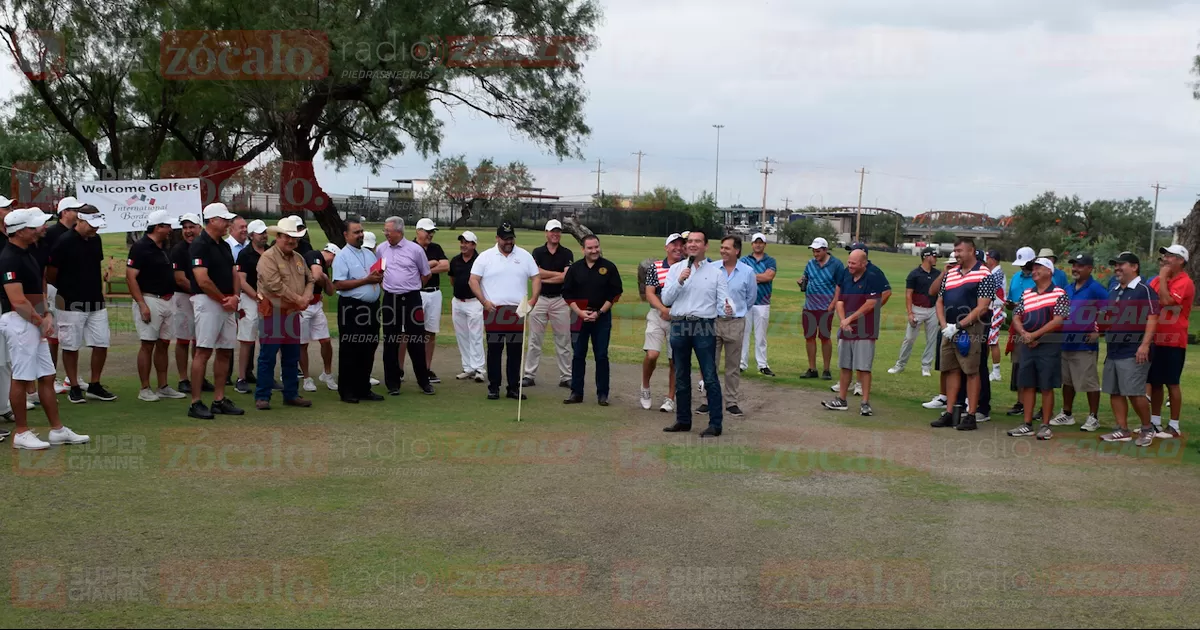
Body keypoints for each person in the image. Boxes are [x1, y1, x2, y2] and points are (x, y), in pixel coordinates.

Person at [0, 208, 89, 450]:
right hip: (17, 321)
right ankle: (21, 433)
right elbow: (17, 300)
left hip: (34, 319)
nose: (40, 229)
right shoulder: (9, 257)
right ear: (19, 231)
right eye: (34, 226)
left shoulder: (28, 252)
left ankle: (58, 430)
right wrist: (42, 321)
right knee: (21, 377)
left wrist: (46, 314)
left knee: (47, 376)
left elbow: (38, 286)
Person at [662, 230, 727, 438]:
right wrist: (680, 281)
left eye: (697, 241)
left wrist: (728, 307)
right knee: (681, 373)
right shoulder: (676, 270)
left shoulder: (716, 272)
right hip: (680, 324)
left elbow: (723, 300)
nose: (692, 245)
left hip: (703, 325)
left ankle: (715, 423)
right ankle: (683, 420)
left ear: (705, 246)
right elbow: (666, 299)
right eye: (689, 241)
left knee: (709, 375)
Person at [45, 210, 116, 403]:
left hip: (95, 301)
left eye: (98, 223)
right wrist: (69, 289)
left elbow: (94, 266)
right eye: (92, 224)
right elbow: (51, 273)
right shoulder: (64, 241)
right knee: (71, 345)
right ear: (80, 220)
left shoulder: (96, 240)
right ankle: (74, 386)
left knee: (101, 342)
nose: (96, 227)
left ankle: (94, 385)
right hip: (70, 302)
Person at [931, 238, 998, 430]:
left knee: (971, 371)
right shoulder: (950, 274)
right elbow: (939, 301)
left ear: (971, 251)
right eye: (955, 251)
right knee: (951, 369)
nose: (956, 254)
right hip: (949, 327)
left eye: (960, 251)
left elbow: (982, 307)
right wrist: (944, 325)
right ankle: (950, 412)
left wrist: (959, 325)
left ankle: (970, 415)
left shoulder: (984, 274)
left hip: (971, 329)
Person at [469, 222, 542, 400]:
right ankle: (494, 387)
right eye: (505, 238)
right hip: (494, 310)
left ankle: (513, 387)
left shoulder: (524, 256)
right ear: (497, 238)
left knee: (515, 351)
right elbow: (473, 280)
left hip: (517, 311)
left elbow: (536, 277)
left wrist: (533, 300)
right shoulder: (486, 257)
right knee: (494, 350)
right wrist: (484, 301)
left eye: (511, 238)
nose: (509, 242)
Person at [186, 202, 244, 420]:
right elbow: (202, 280)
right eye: (224, 219)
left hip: (227, 301)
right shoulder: (200, 245)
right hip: (208, 301)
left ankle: (219, 399)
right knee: (203, 351)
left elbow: (234, 272)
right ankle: (195, 402)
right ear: (212, 221)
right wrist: (223, 299)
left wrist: (235, 297)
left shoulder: (224, 245)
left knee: (225, 350)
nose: (228, 223)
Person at [1097, 252, 1158, 446]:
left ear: (1134, 267)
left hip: (1134, 350)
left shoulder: (1144, 290)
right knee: (1114, 391)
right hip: (1113, 350)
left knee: (1134, 392)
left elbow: (1153, 317)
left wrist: (1145, 345)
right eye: (1115, 265)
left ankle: (1147, 429)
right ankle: (1122, 429)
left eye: (1121, 264)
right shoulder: (1114, 290)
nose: (1117, 268)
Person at [126, 210, 188, 402]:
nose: (170, 229)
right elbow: (131, 277)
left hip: (167, 300)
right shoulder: (140, 247)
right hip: (150, 299)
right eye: (167, 226)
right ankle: (144, 388)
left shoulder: (164, 246)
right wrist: (142, 304)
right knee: (147, 345)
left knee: (163, 344)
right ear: (158, 227)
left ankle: (163, 386)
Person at [1006, 258, 1070, 440]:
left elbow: (1058, 320)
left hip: (1049, 345)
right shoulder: (1027, 293)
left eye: (1038, 268)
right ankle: (1027, 424)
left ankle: (1045, 425)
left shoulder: (1060, 293)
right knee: (1027, 384)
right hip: (1028, 344)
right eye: (1033, 268)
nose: (1034, 271)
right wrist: (1025, 333)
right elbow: (1016, 316)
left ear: (1049, 271)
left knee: (1047, 385)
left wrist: (1035, 336)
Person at [254, 216, 315, 410]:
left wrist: (305, 297)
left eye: (294, 238)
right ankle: (262, 396)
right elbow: (274, 286)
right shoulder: (268, 257)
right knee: (268, 356)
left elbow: (311, 279)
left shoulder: (298, 258)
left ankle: (291, 394)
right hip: (273, 313)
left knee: (291, 356)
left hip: (291, 313)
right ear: (278, 236)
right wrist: (300, 300)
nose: (291, 241)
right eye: (287, 237)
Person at [823, 249, 885, 416]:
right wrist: (843, 321)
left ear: (863, 263)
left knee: (864, 367)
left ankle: (865, 402)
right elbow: (840, 301)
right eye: (849, 262)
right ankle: (841, 399)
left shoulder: (872, 278)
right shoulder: (846, 276)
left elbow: (871, 303)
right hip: (847, 329)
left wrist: (850, 319)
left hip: (865, 330)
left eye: (853, 263)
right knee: (845, 365)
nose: (849, 265)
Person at [562, 235, 622, 405]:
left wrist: (600, 313)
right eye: (590, 248)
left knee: (601, 355)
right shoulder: (575, 269)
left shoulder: (609, 267)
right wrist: (580, 313)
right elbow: (567, 294)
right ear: (583, 249)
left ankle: (602, 394)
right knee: (578, 354)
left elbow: (615, 293)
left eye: (596, 247)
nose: (594, 250)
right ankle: (576, 392)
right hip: (578, 316)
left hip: (601, 317)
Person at [1051, 253, 1108, 431]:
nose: (1075, 269)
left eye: (1080, 266)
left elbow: (1109, 311)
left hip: (1084, 345)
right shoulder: (1067, 288)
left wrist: (1099, 331)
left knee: (1089, 381)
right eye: (1074, 265)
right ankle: (1067, 414)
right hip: (1066, 342)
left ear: (1090, 268)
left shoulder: (1096, 289)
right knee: (1067, 381)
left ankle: (1093, 417)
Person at [701, 236, 756, 417]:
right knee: (710, 364)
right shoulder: (712, 268)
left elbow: (750, 298)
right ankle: (708, 401)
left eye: (727, 248)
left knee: (732, 366)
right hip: (713, 321)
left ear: (737, 251)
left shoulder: (747, 272)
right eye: (722, 247)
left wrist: (736, 311)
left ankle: (731, 402)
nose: (723, 251)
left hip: (735, 322)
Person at [378, 217, 434, 395]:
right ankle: (393, 383)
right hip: (390, 299)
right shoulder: (381, 249)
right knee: (390, 341)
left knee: (416, 340)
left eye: (388, 231)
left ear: (399, 231)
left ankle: (424, 381)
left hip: (412, 299)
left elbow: (426, 274)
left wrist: (412, 288)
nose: (386, 234)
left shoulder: (415, 250)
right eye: (385, 231)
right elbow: (377, 272)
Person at [332, 219, 384, 404]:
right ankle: (347, 390)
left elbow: (375, 275)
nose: (360, 235)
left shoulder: (369, 254)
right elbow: (339, 284)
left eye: (361, 231)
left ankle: (363, 388)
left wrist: (378, 277)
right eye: (356, 232)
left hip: (371, 308)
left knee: (369, 347)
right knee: (350, 348)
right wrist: (367, 280)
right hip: (351, 307)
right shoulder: (342, 256)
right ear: (346, 235)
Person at [1148, 245, 1193, 440]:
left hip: (1174, 339)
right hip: (1156, 337)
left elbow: (1166, 301)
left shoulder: (1185, 282)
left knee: (1172, 382)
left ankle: (1174, 426)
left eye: (1170, 256)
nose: (1165, 259)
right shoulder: (1158, 280)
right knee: (1155, 381)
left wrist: (1164, 277)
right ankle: (1155, 422)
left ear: (1180, 260)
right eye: (1164, 255)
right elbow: (1149, 301)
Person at [523, 219, 574, 389]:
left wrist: (544, 276)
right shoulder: (537, 252)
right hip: (540, 299)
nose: (555, 234)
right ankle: (529, 375)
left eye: (558, 231)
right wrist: (554, 275)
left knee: (563, 340)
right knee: (534, 339)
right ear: (546, 233)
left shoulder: (567, 253)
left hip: (560, 300)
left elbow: (566, 277)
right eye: (553, 231)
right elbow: (535, 274)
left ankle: (566, 376)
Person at [44, 196, 86, 393]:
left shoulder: (77, 232)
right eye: (75, 210)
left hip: (72, 289)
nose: (78, 213)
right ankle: (50, 377)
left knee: (71, 334)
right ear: (64, 212)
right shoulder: (52, 233)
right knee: (54, 334)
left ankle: (71, 377)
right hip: (53, 287)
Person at [640, 233, 685, 412]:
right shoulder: (656, 267)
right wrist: (663, 309)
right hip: (657, 315)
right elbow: (650, 293)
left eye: (681, 244)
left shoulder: (687, 267)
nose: (677, 248)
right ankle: (645, 387)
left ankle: (670, 398)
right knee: (652, 355)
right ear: (666, 247)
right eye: (673, 244)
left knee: (674, 360)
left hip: (679, 318)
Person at [403, 218, 448, 383]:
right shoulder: (409, 247)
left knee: (430, 332)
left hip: (434, 293)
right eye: (427, 231)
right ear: (418, 231)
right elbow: (409, 270)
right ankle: (399, 370)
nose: (430, 234)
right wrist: (431, 264)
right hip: (416, 293)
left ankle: (426, 369)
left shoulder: (436, 248)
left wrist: (425, 267)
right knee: (407, 332)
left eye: (432, 231)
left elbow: (445, 266)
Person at [171, 213, 211, 395]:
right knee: (183, 339)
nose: (188, 231)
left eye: (191, 227)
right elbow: (180, 279)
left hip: (201, 296)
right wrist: (199, 290)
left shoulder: (205, 246)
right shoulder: (179, 250)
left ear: (200, 227)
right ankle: (183, 379)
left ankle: (199, 376)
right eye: (185, 227)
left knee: (200, 339)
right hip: (184, 297)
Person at [797, 237, 844, 380]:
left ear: (825, 250)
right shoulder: (810, 264)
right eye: (814, 251)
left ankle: (826, 369)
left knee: (825, 337)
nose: (815, 254)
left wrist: (833, 304)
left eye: (818, 251)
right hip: (809, 306)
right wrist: (801, 283)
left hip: (826, 306)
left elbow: (839, 286)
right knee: (809, 337)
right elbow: (806, 279)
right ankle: (812, 368)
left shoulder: (836, 264)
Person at [891, 247, 940, 376]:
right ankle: (900, 364)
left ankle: (926, 366)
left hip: (933, 309)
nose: (935, 259)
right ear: (926, 257)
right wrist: (910, 313)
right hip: (917, 309)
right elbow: (908, 295)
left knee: (931, 339)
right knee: (909, 338)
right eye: (934, 256)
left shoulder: (937, 274)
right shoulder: (914, 274)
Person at [233, 219, 268, 394]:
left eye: (265, 233)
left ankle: (265, 376)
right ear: (252, 235)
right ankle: (241, 378)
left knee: (268, 338)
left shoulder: (270, 252)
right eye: (260, 233)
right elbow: (241, 280)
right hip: (249, 299)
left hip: (269, 300)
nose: (264, 236)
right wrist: (257, 296)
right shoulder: (245, 254)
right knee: (247, 339)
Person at [300, 243, 339, 392]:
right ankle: (306, 378)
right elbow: (316, 276)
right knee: (302, 343)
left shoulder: (324, 267)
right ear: (332, 254)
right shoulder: (314, 255)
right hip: (304, 305)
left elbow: (330, 291)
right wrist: (322, 277)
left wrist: (324, 277)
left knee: (326, 341)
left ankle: (327, 374)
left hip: (316, 305)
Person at [448, 231, 486, 382]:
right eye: (462, 242)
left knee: (475, 336)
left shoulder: (480, 260)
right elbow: (452, 279)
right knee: (462, 335)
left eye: (467, 242)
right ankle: (468, 367)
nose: (463, 245)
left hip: (474, 302)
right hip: (458, 302)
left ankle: (479, 369)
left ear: (474, 245)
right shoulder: (455, 260)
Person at [1004, 247, 1038, 417]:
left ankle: (1036, 405)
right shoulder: (1016, 277)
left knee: (1035, 366)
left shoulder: (1039, 278)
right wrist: (1010, 305)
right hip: (1018, 327)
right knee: (1018, 364)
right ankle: (1020, 402)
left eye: (1026, 265)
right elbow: (1012, 298)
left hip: (1036, 327)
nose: (1022, 268)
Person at [740, 233, 777, 376]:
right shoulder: (744, 260)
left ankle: (762, 364)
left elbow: (769, 276)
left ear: (764, 245)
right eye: (756, 242)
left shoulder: (770, 260)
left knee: (761, 336)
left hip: (763, 302)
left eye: (761, 243)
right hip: (746, 302)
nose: (758, 245)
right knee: (744, 334)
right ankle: (742, 364)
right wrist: (758, 277)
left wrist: (751, 277)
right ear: (752, 244)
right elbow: (741, 277)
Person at [985, 250, 1007, 382]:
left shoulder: (997, 273)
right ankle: (990, 369)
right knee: (989, 340)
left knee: (992, 341)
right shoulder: (995, 273)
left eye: (988, 258)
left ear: (993, 259)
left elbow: (991, 291)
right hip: (993, 309)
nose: (986, 261)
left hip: (996, 309)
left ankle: (996, 372)